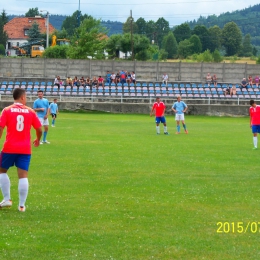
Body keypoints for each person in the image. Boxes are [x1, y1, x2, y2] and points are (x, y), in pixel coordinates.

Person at [0, 88, 42, 212]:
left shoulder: (7, 110)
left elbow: (1, 127)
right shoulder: (30, 111)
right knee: (23, 176)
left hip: (9, 147)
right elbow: (39, 129)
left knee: (2, 171)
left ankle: (7, 199)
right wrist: (38, 139)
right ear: (23, 97)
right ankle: (21, 205)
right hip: (25, 148)